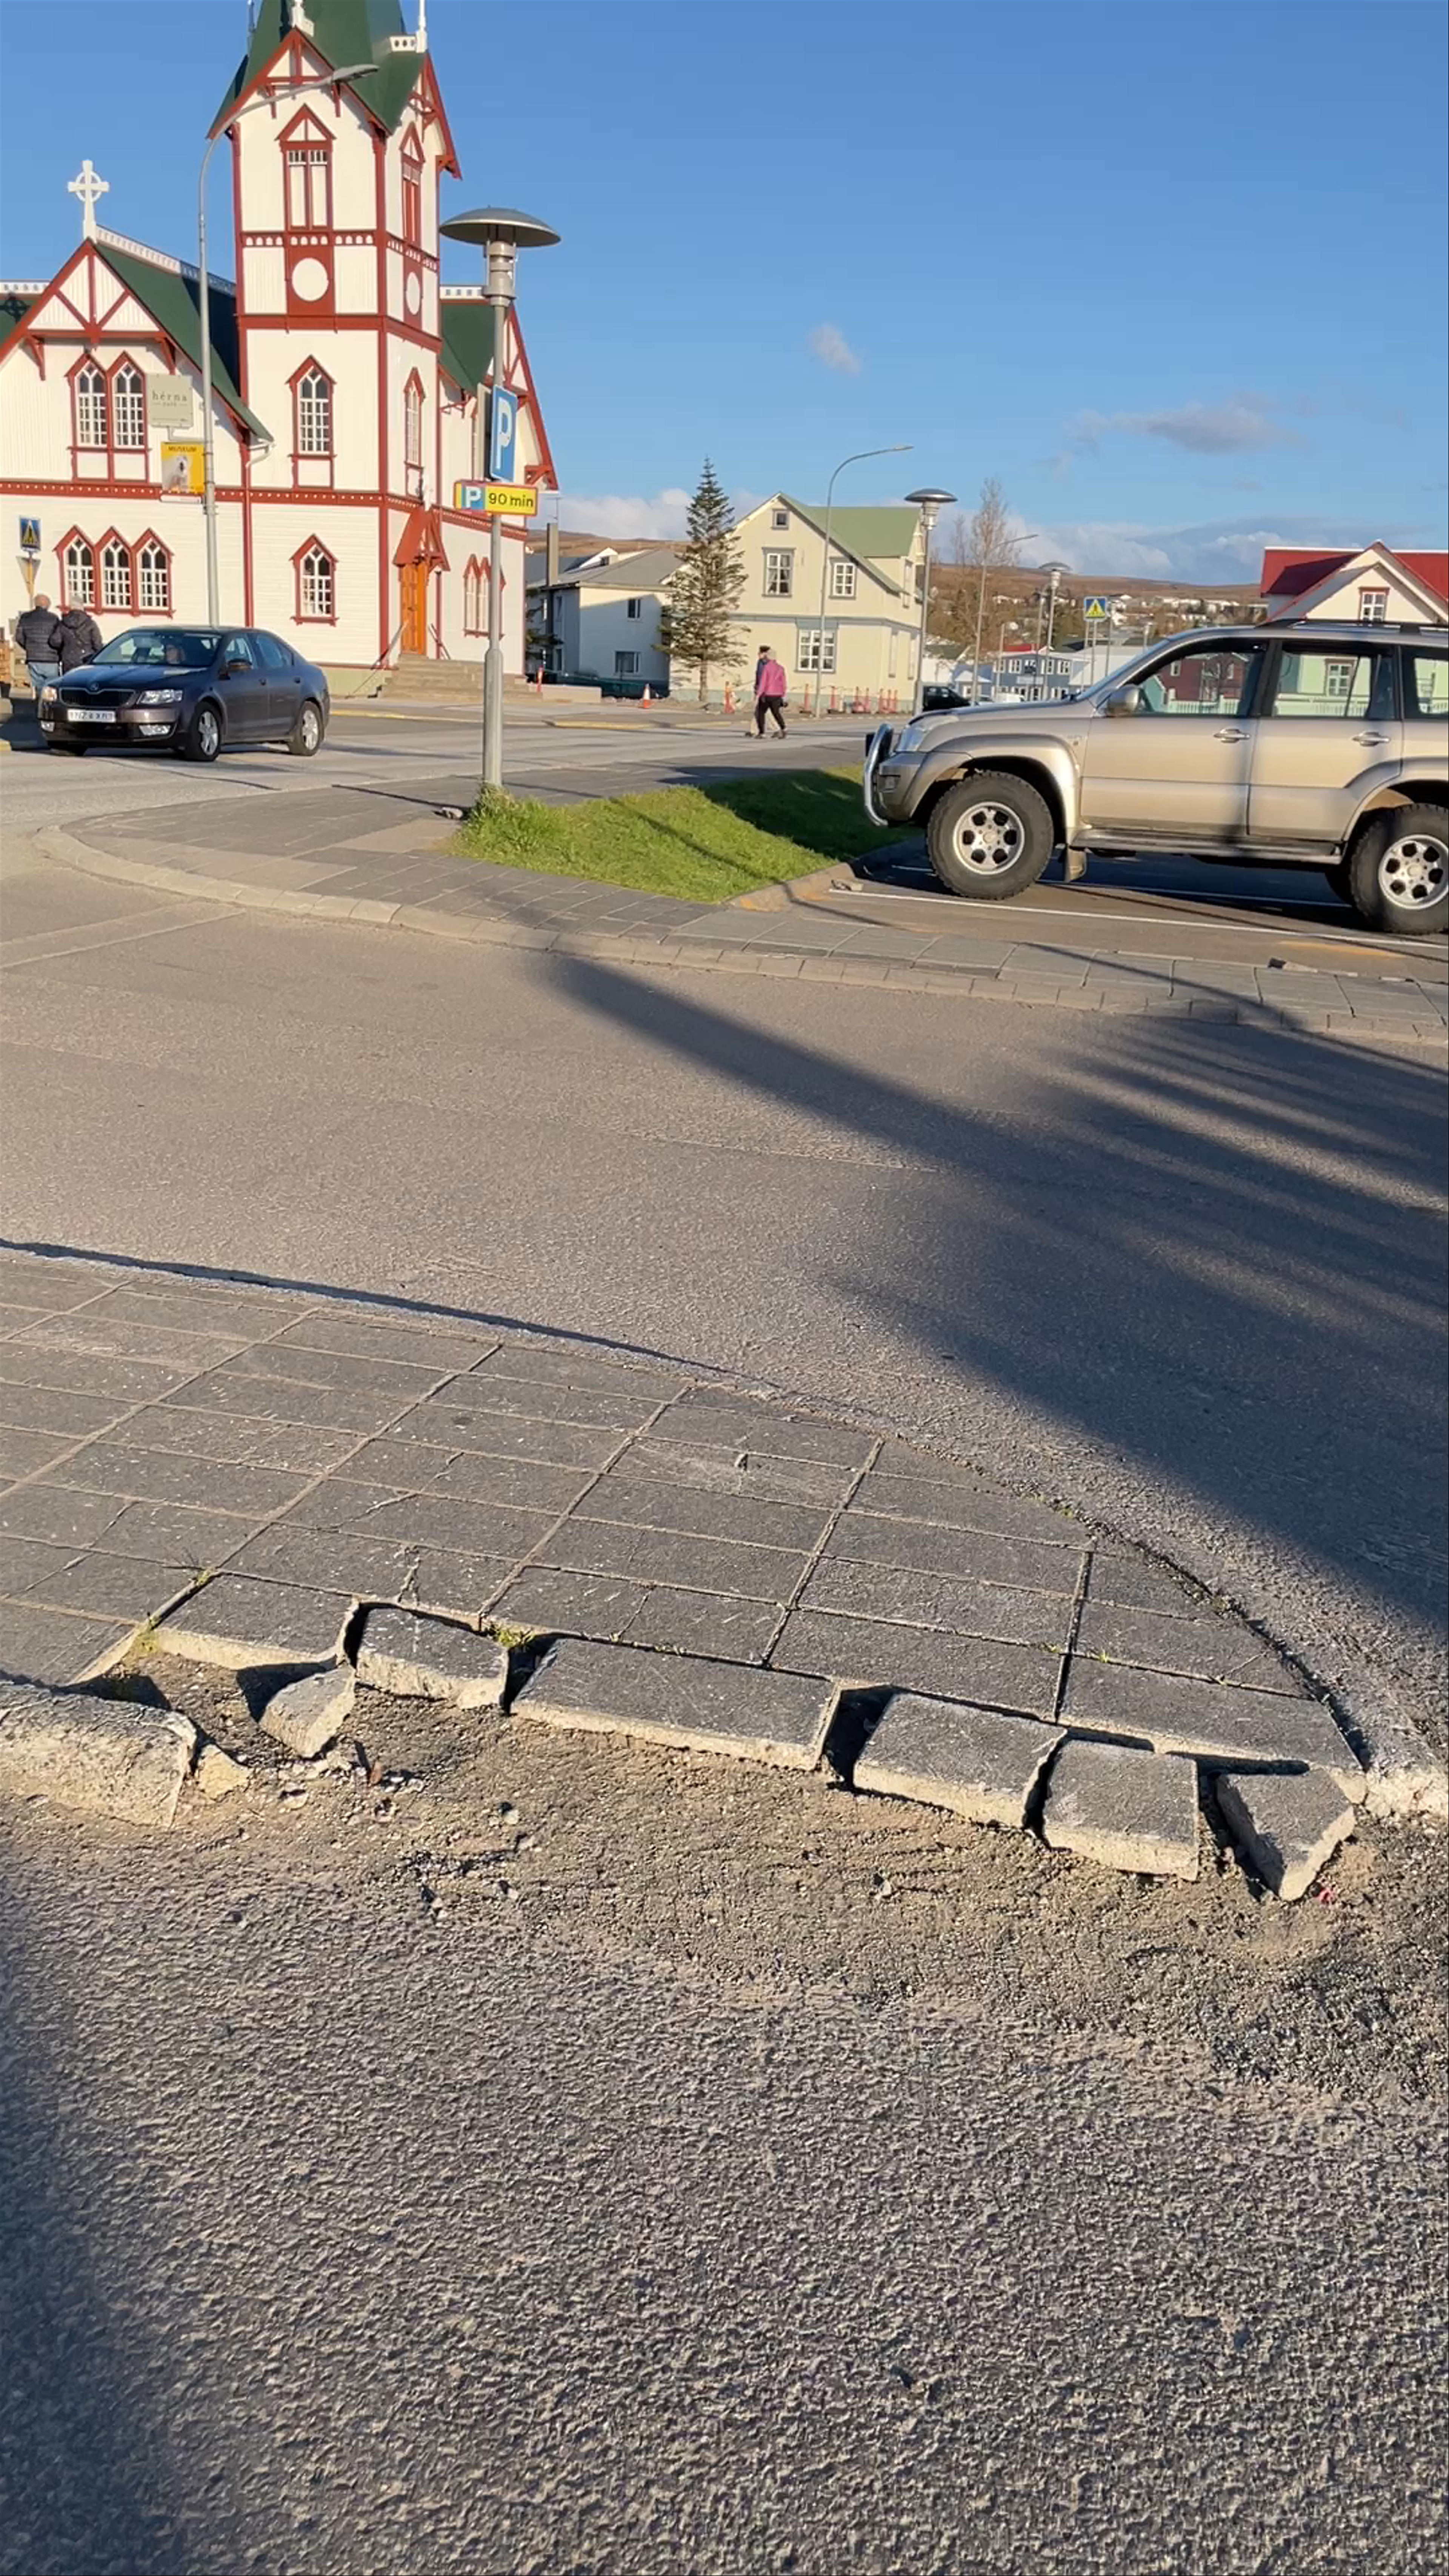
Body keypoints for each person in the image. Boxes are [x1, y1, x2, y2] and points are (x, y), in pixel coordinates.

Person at [15, 593, 64, 702]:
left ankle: (40, 706)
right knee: (51, 687)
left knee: (38, 686)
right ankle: (49, 708)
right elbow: (58, 639)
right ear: (48, 605)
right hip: (51, 658)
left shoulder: (25, 618)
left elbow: (19, 637)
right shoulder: (54, 619)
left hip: (33, 658)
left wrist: (29, 647)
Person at [57, 601, 103, 671]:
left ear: (71, 608)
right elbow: (98, 644)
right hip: (87, 658)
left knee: (69, 678)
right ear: (82, 608)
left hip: (69, 659)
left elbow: (55, 641)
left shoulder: (63, 623)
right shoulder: (90, 623)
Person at [754, 647, 788, 738]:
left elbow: (763, 682)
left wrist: (759, 694)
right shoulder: (781, 668)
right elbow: (784, 683)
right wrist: (783, 694)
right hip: (778, 695)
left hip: (767, 695)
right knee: (776, 713)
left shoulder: (767, 667)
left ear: (768, 657)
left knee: (761, 713)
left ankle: (762, 733)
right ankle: (784, 728)